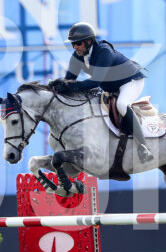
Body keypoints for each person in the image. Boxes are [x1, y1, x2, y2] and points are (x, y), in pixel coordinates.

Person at [50, 22, 153, 163]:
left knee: (122, 104)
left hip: (130, 81)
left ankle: (143, 147)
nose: (75, 47)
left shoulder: (104, 51)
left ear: (89, 41)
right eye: (73, 44)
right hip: (111, 87)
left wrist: (67, 86)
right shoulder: (77, 56)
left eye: (78, 43)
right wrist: (57, 85)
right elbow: (69, 80)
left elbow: (94, 82)